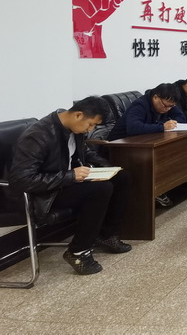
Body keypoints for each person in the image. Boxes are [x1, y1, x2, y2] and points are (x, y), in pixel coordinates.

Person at [9, 96, 131, 275]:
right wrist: (69, 176)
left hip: (63, 183)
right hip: (44, 194)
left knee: (121, 177)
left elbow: (85, 153)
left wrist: (108, 169)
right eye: (91, 125)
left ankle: (107, 235)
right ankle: (78, 251)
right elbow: (20, 180)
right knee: (100, 189)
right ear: (78, 115)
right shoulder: (38, 135)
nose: (91, 130)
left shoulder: (74, 129)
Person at [109, 83, 187, 200]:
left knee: (186, 147)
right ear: (156, 97)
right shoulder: (140, 105)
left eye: (171, 107)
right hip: (120, 148)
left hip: (145, 142)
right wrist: (162, 126)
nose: (167, 109)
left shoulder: (168, 102)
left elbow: (180, 117)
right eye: (166, 106)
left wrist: (171, 122)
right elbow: (134, 128)